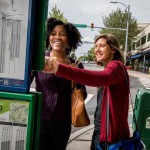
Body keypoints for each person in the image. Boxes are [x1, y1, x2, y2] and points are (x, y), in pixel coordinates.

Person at [44, 33, 130, 147]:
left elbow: (98, 78)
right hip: (103, 132)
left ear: (113, 49)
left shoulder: (116, 66)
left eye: (102, 46)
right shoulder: (111, 68)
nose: (97, 50)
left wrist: (59, 68)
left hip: (111, 137)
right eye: (96, 46)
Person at [31, 17, 87, 150]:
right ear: (48, 38)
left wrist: (76, 76)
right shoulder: (39, 60)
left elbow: (82, 95)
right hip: (40, 119)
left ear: (68, 40)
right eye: (53, 34)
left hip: (63, 121)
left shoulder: (76, 64)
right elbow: (24, 84)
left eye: (62, 34)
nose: (57, 37)